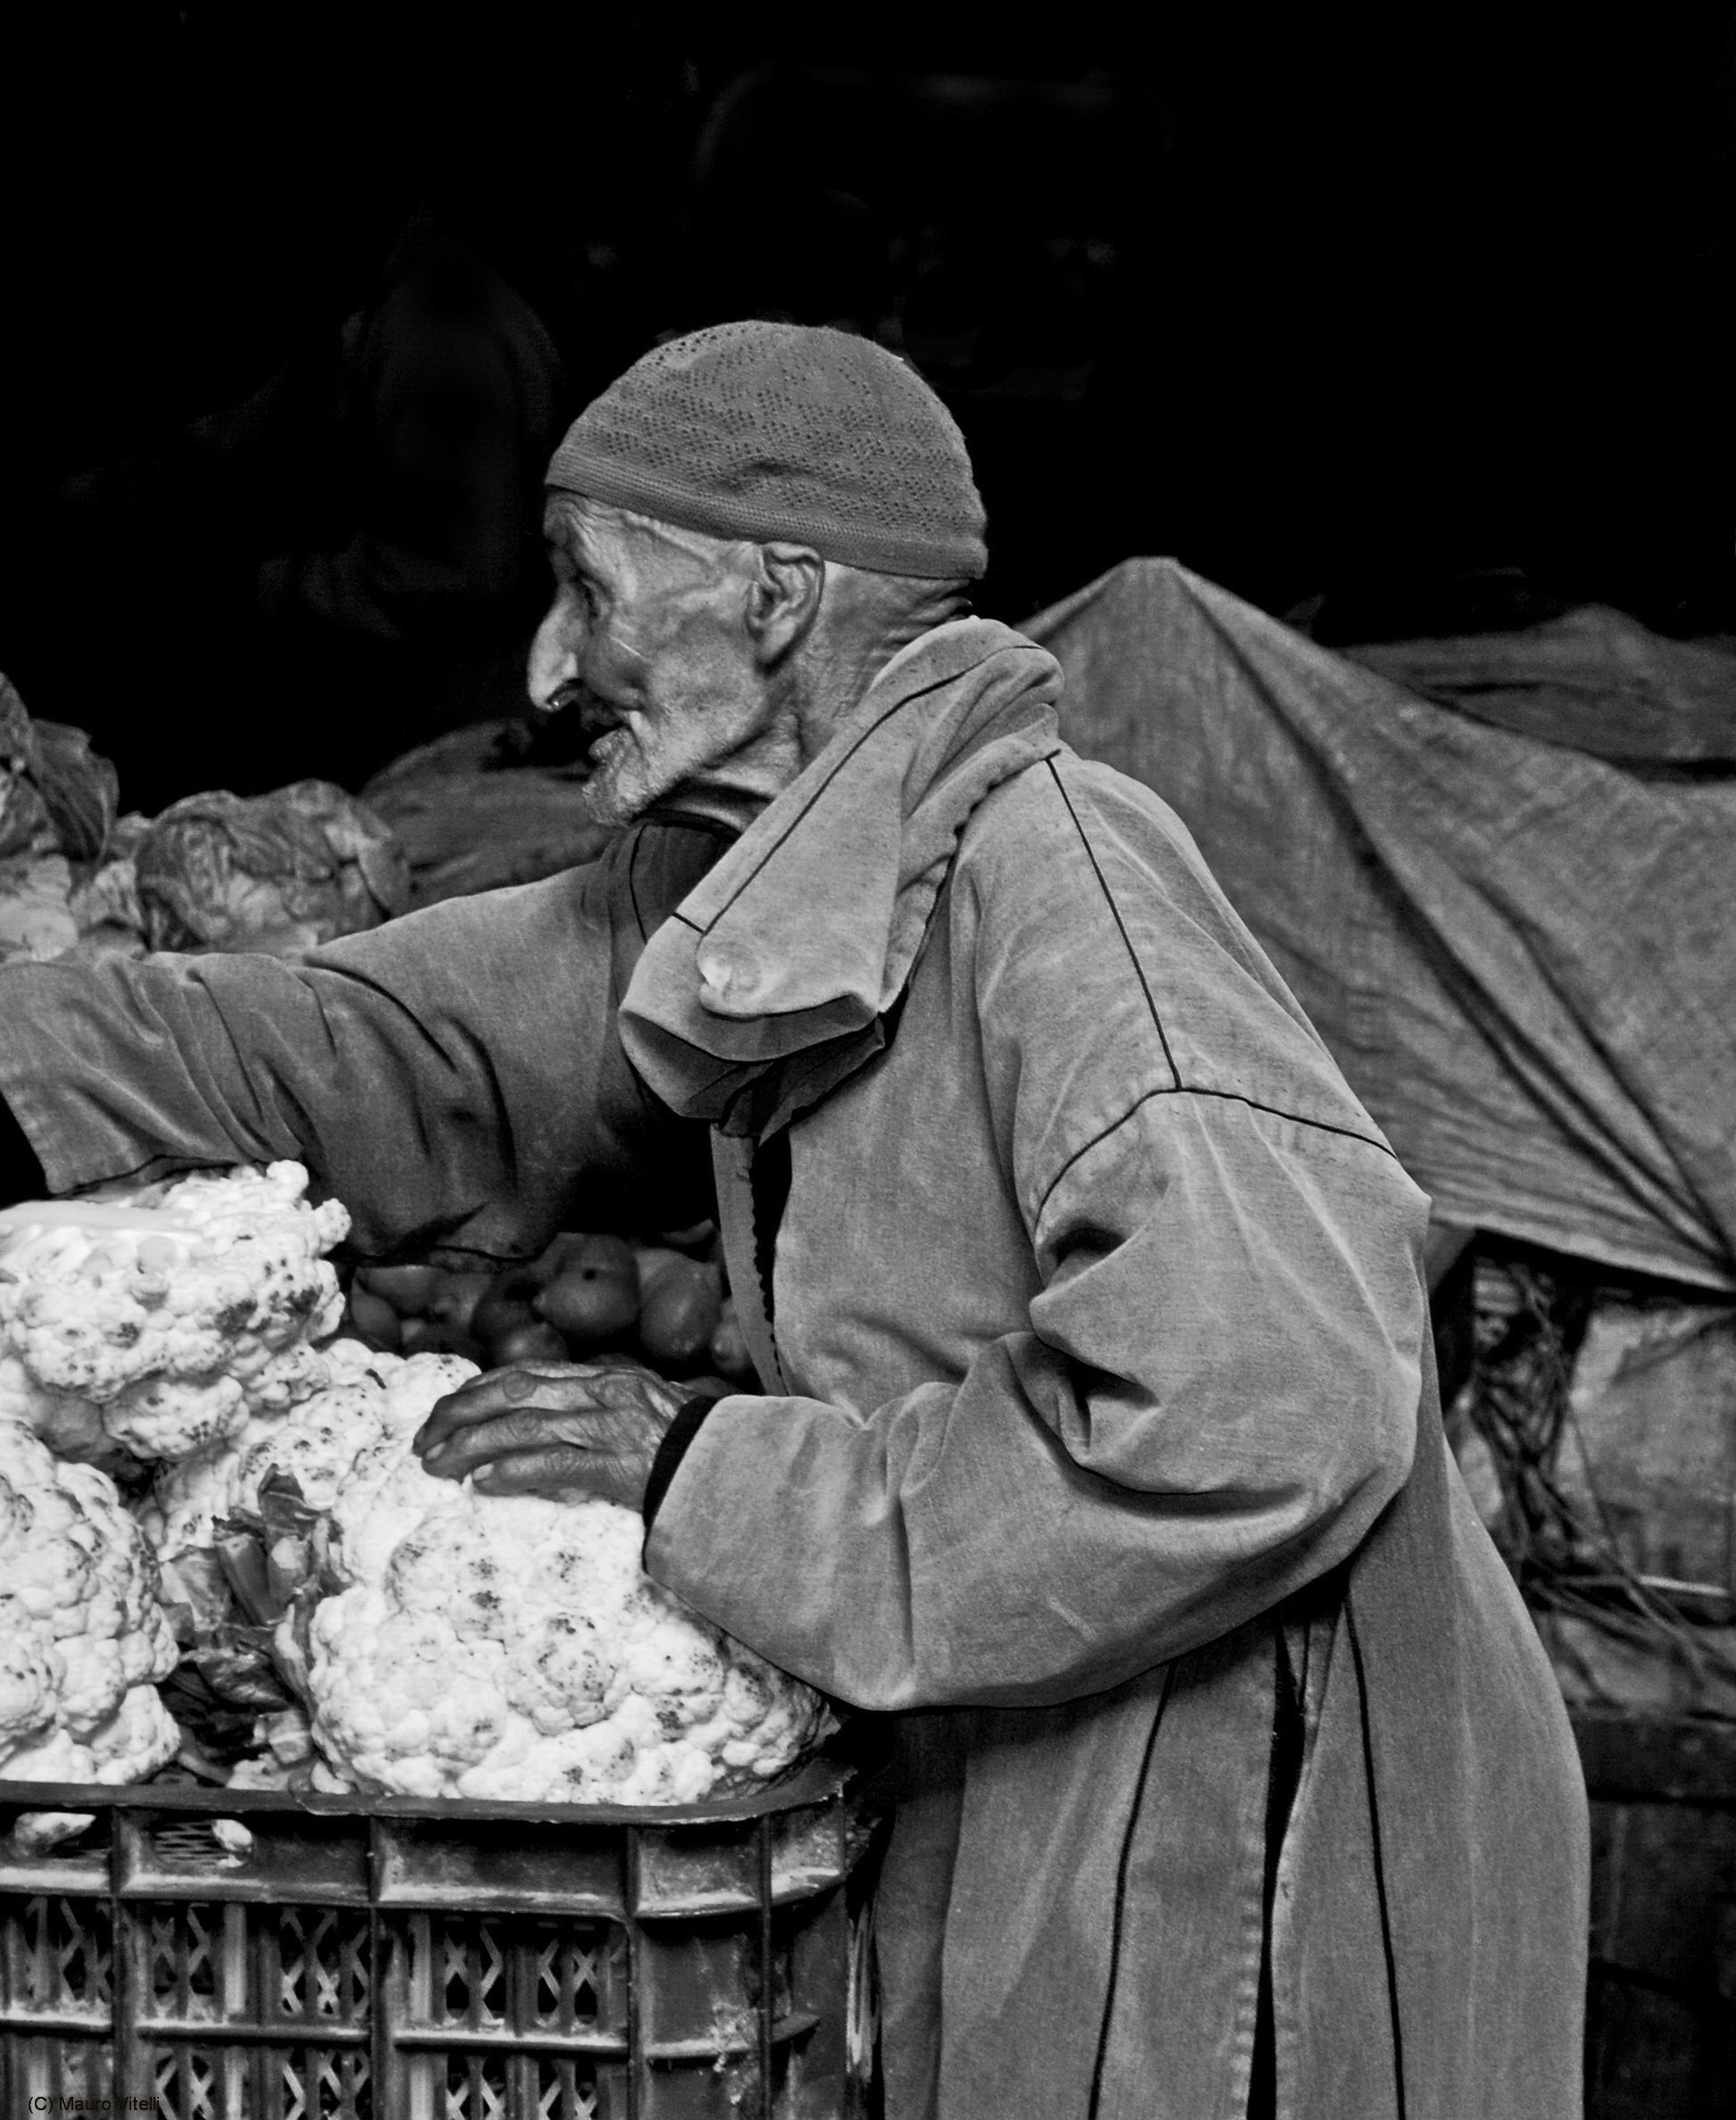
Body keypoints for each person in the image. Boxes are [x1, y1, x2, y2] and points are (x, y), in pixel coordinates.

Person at [0, 323, 1586, 2119]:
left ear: (771, 599)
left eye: (587, 592)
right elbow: (406, 1046)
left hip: (1250, 1788)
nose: (542, 664)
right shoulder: (757, 877)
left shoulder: (1065, 886)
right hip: (1048, 1717)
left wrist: (713, 1479)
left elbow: (1261, 1404)